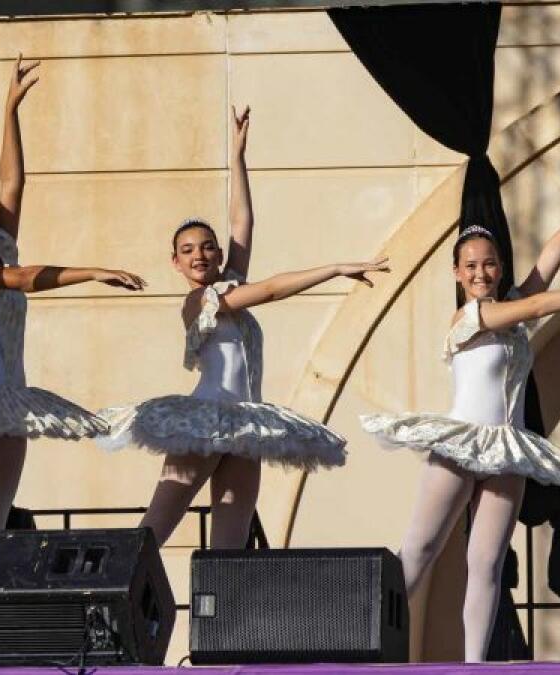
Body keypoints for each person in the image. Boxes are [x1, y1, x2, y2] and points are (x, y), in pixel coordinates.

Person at [360, 167, 560, 662]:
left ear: (499, 267)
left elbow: (548, 262)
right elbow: (537, 303)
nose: (479, 273)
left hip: (507, 447)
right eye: (469, 266)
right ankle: (366, 648)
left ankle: (476, 665)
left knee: (486, 561)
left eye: (489, 265)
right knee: (419, 552)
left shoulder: (509, 308)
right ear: (456, 273)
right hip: (461, 443)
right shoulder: (469, 318)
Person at [99, 107, 386, 549]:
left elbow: (242, 224)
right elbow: (269, 291)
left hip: (245, 424)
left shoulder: (227, 282)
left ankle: (217, 617)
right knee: (156, 528)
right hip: (206, 418)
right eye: (188, 250)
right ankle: (115, 604)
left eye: (208, 247)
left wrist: (236, 154)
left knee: (230, 547)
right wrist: (333, 268)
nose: (200, 255)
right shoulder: (201, 301)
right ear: (175, 262)